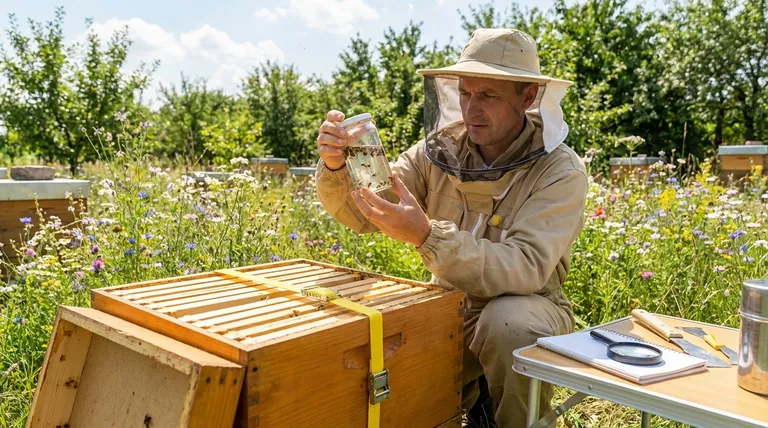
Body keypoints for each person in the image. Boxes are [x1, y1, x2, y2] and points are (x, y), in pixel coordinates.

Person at [314, 28, 588, 428]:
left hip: (531, 305)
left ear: (527, 97)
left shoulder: (559, 170)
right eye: (465, 92)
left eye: (489, 95)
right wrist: (339, 166)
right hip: (450, 306)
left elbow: (525, 267)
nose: (471, 108)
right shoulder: (439, 150)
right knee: (385, 358)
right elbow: (365, 211)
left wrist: (428, 236)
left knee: (508, 323)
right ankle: (464, 402)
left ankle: (514, 420)